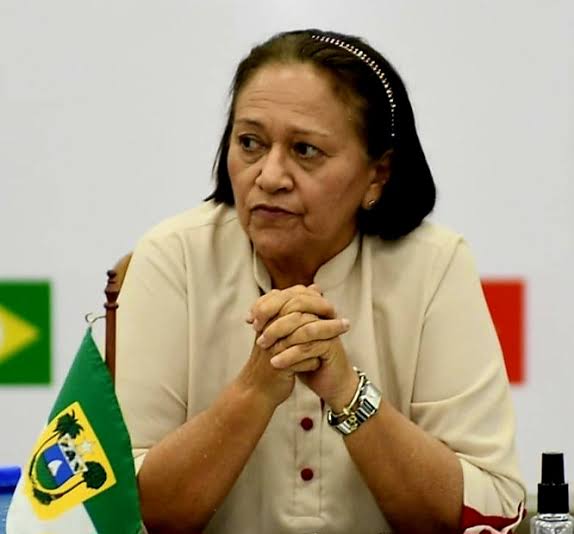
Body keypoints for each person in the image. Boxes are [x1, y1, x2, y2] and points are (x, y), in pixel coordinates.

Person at [115, 29, 526, 534]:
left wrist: (347, 392)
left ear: (378, 174)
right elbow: (120, 509)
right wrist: (256, 388)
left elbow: (492, 509)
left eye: (305, 150)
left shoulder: (434, 265)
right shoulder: (174, 257)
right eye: (250, 143)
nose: (269, 176)